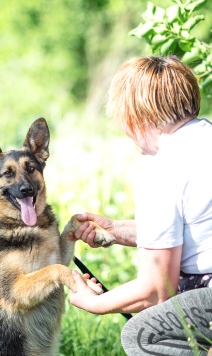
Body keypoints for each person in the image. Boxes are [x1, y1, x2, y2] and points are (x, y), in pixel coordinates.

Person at [68, 56, 212, 355]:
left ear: (136, 118)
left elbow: (157, 289)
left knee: (144, 334)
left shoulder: (164, 168)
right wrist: (116, 229)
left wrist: (94, 303)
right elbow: (194, 230)